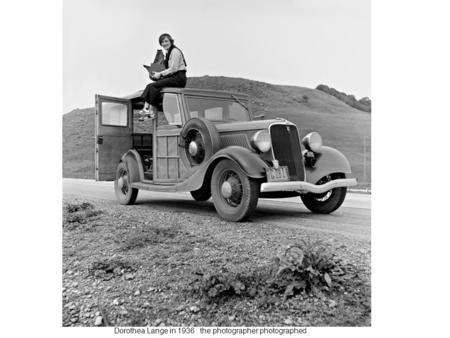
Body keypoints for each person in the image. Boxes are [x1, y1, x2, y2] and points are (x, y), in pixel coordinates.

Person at [139, 33, 187, 119]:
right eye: (162, 42)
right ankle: (146, 108)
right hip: (173, 77)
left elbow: (173, 69)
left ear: (171, 41)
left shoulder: (175, 51)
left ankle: (151, 111)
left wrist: (160, 74)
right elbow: (165, 68)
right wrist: (154, 72)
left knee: (153, 86)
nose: (164, 43)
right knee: (150, 86)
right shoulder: (168, 53)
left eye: (166, 41)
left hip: (179, 78)